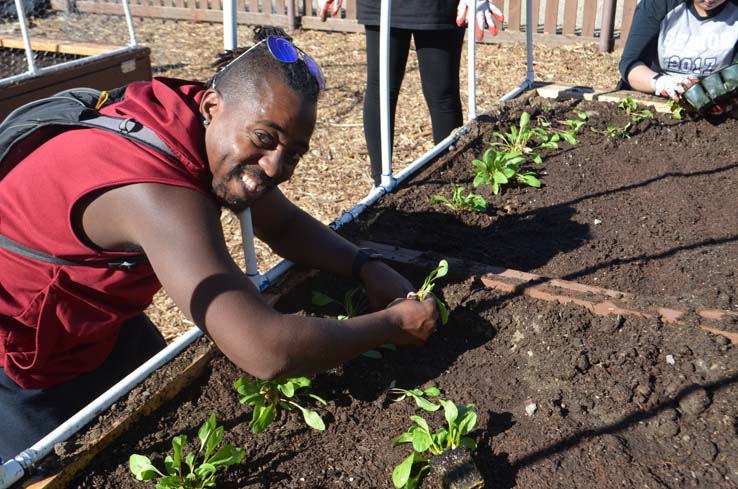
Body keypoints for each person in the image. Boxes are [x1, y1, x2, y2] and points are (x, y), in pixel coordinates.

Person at [0, 27, 439, 460]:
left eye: (293, 153)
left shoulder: (195, 119)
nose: (274, 166)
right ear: (212, 105)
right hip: (24, 359)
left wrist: (366, 266)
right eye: (265, 138)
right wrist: (392, 325)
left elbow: (281, 224)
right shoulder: (154, 193)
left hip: (99, 317)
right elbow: (266, 349)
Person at [320, 0, 504, 187]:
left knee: (443, 95)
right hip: (383, 5)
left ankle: (452, 185)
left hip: (438, 7)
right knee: (381, 91)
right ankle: (381, 186)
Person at [618, 0, 738, 104]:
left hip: (715, 99)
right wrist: (660, 83)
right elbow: (631, 64)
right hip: (655, 93)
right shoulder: (660, 4)